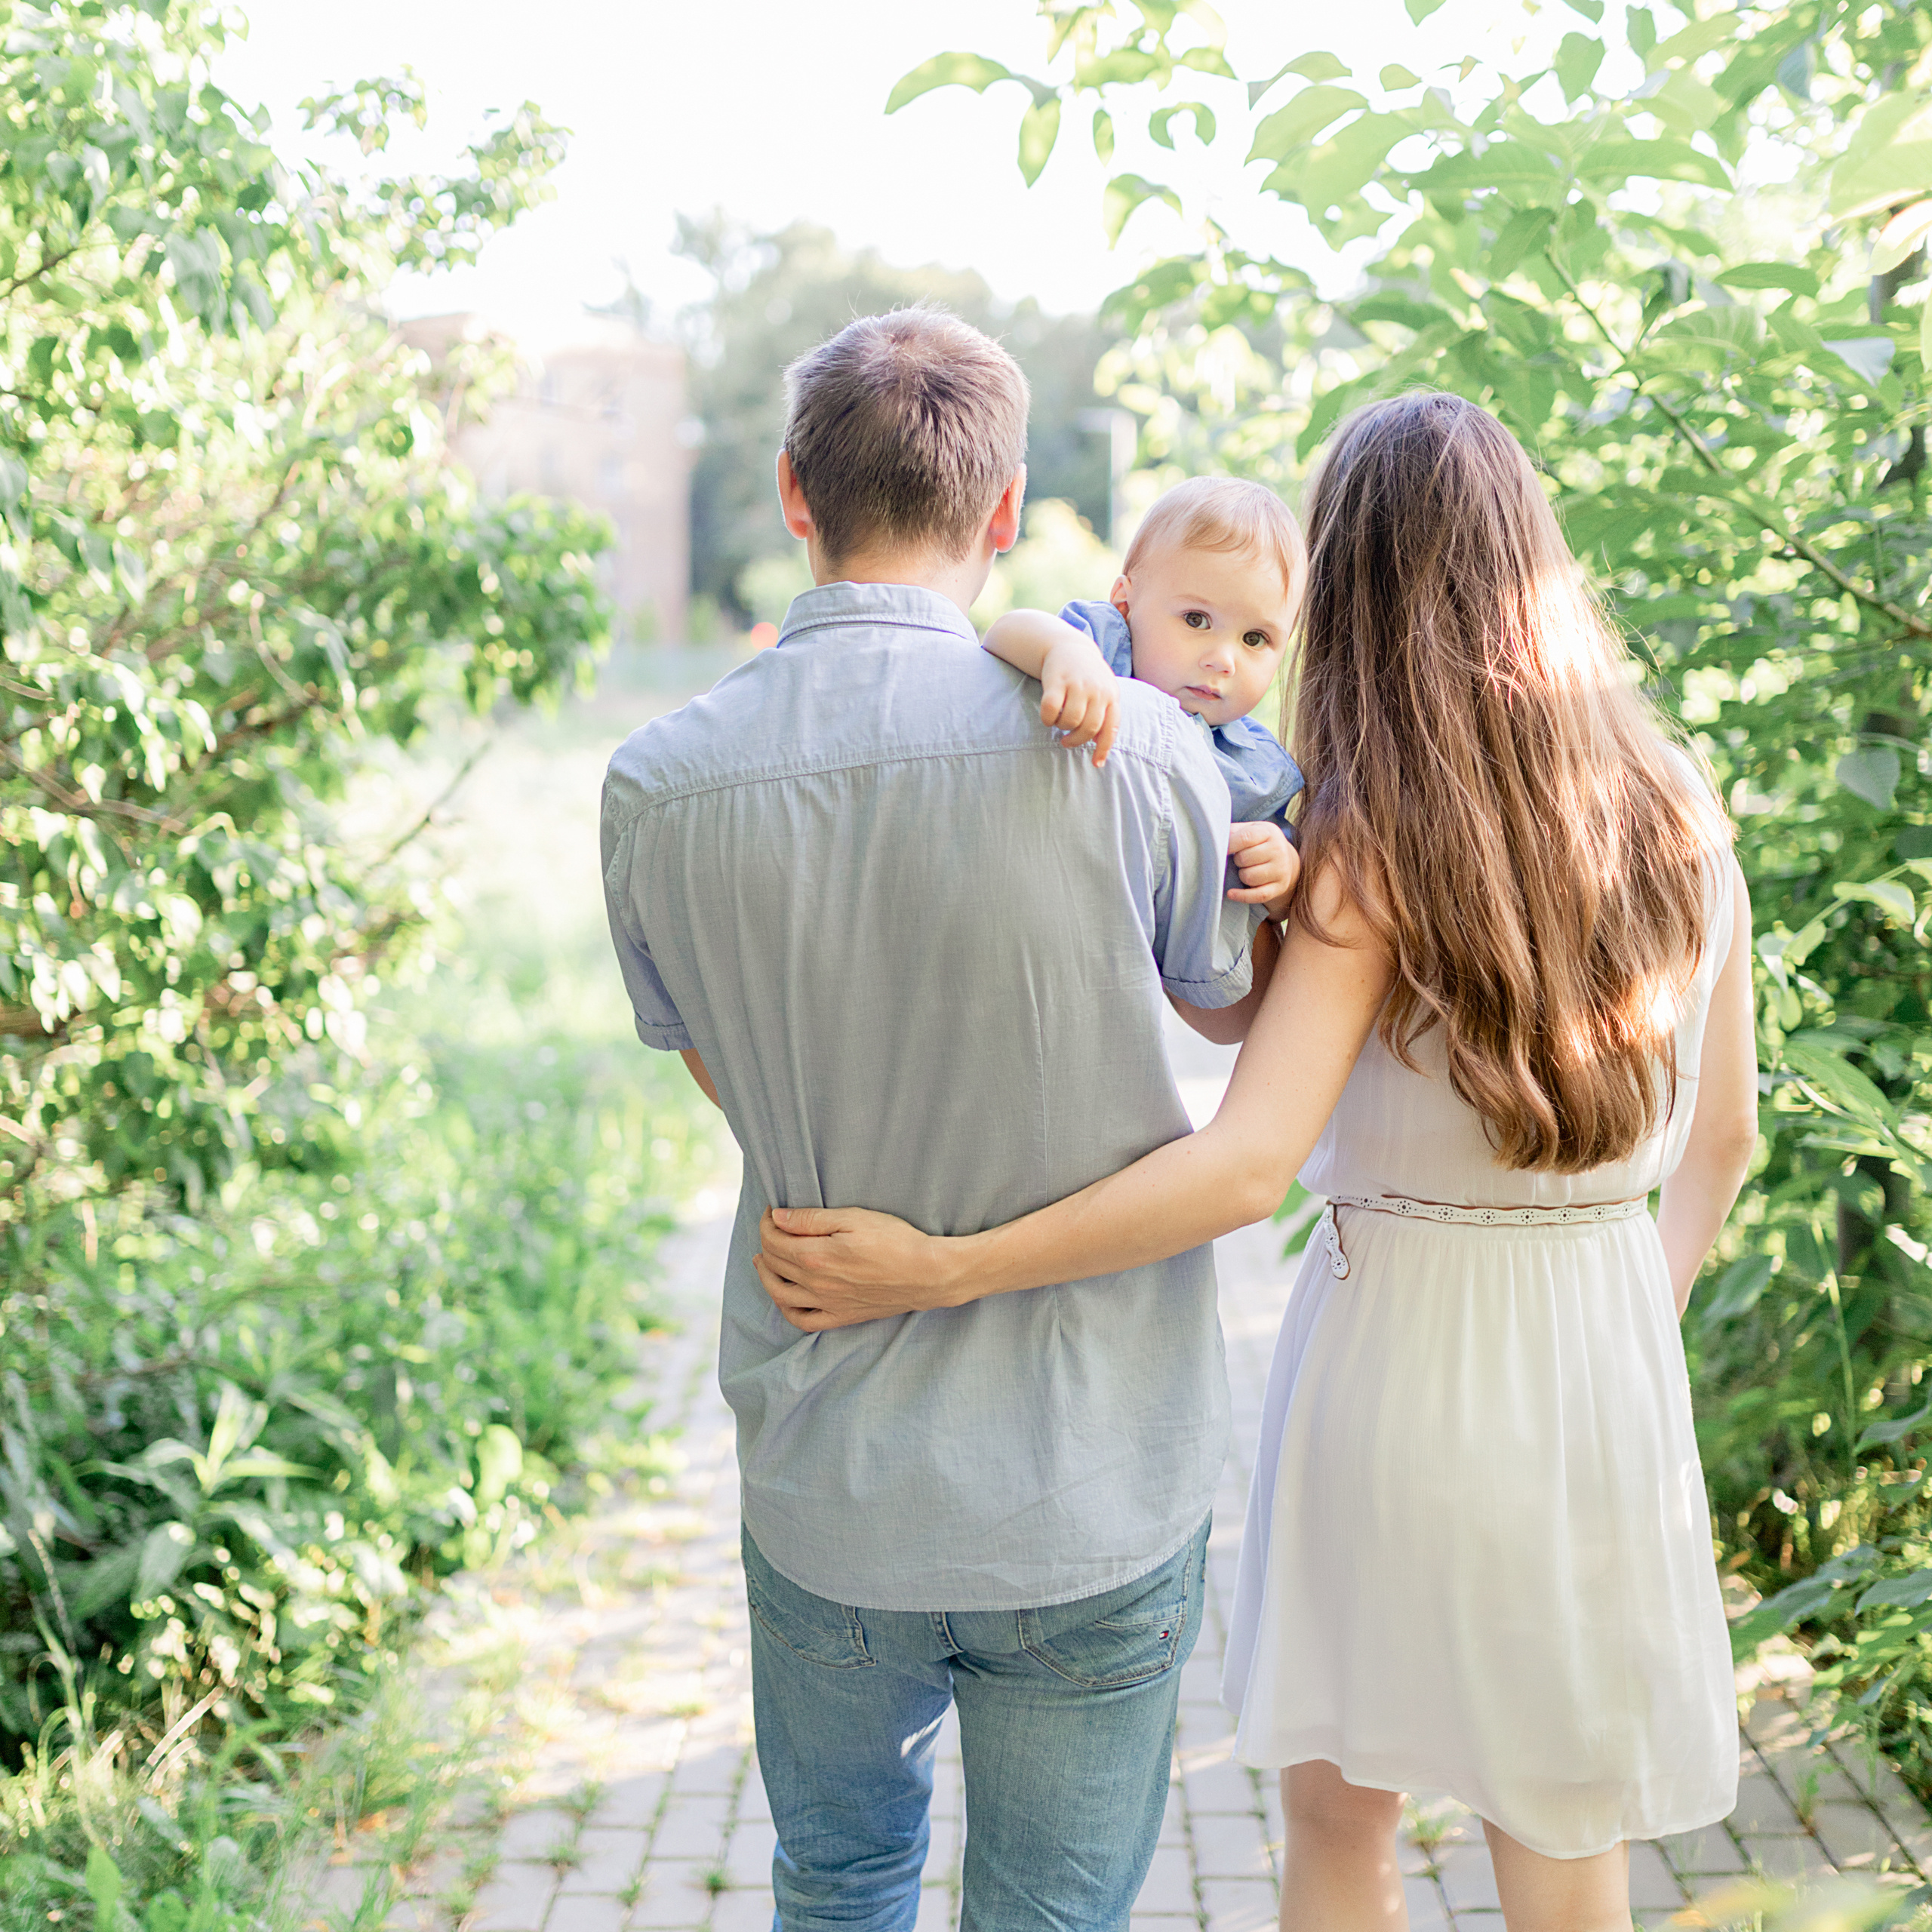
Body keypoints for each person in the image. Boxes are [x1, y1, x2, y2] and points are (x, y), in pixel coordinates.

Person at [753, 390, 1758, 1932]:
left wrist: (944, 1267)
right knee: (1565, 1834)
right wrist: (1620, 1332)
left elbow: (1239, 1169)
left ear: (1346, 594)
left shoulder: (1369, 846)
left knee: (1340, 1823)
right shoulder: (1678, 810)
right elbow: (1723, 1141)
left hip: (1397, 1367)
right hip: (1603, 1369)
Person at [598, 306, 1272, 1932]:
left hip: (831, 1469)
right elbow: (1225, 1003)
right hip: (1091, 1472)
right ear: (1004, 507)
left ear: (791, 490)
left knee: (837, 1888)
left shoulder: (654, 786)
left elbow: (725, 1074)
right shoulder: (1147, 756)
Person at [982, 475, 1306, 918]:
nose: (1223, 660)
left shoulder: (1254, 768)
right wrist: (1061, 650)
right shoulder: (1101, 651)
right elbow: (1003, 633)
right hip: (1049, 890)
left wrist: (1283, 876)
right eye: (1196, 620)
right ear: (1125, 604)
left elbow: (1276, 910)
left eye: (1254, 638)